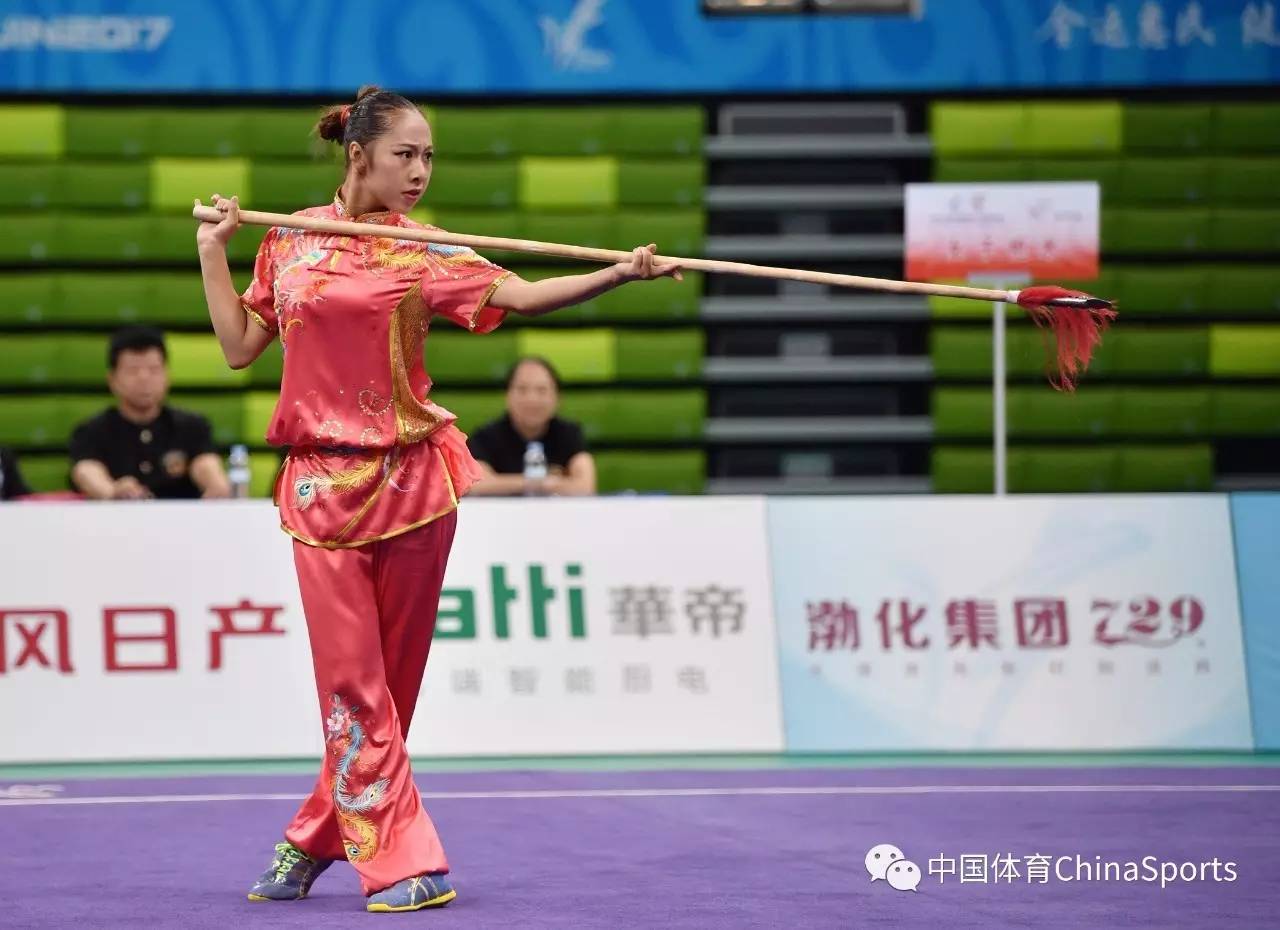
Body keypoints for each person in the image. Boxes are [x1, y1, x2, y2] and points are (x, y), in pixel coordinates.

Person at [195, 85, 680, 913]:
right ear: (358, 156)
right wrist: (215, 250)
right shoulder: (288, 243)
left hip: (415, 486)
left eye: (428, 157)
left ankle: (312, 839)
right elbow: (241, 349)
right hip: (319, 487)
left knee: (390, 686)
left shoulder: (429, 252)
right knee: (353, 683)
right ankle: (400, 863)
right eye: (404, 155)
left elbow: (523, 298)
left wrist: (618, 275)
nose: (420, 172)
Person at [69, 326, 231, 500]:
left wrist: (216, 483)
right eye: (133, 371)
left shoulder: (192, 426)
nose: (144, 378)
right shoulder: (91, 431)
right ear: (112, 379)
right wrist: (112, 491)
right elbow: (86, 470)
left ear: (167, 375)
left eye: (154, 369)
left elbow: (204, 462)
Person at [467, 357, 597, 496]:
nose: (532, 399)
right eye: (522, 389)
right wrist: (540, 482)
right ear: (507, 395)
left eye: (541, 390)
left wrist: (508, 483)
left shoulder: (569, 433)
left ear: (557, 398)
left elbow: (586, 486)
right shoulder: (486, 436)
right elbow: (475, 485)